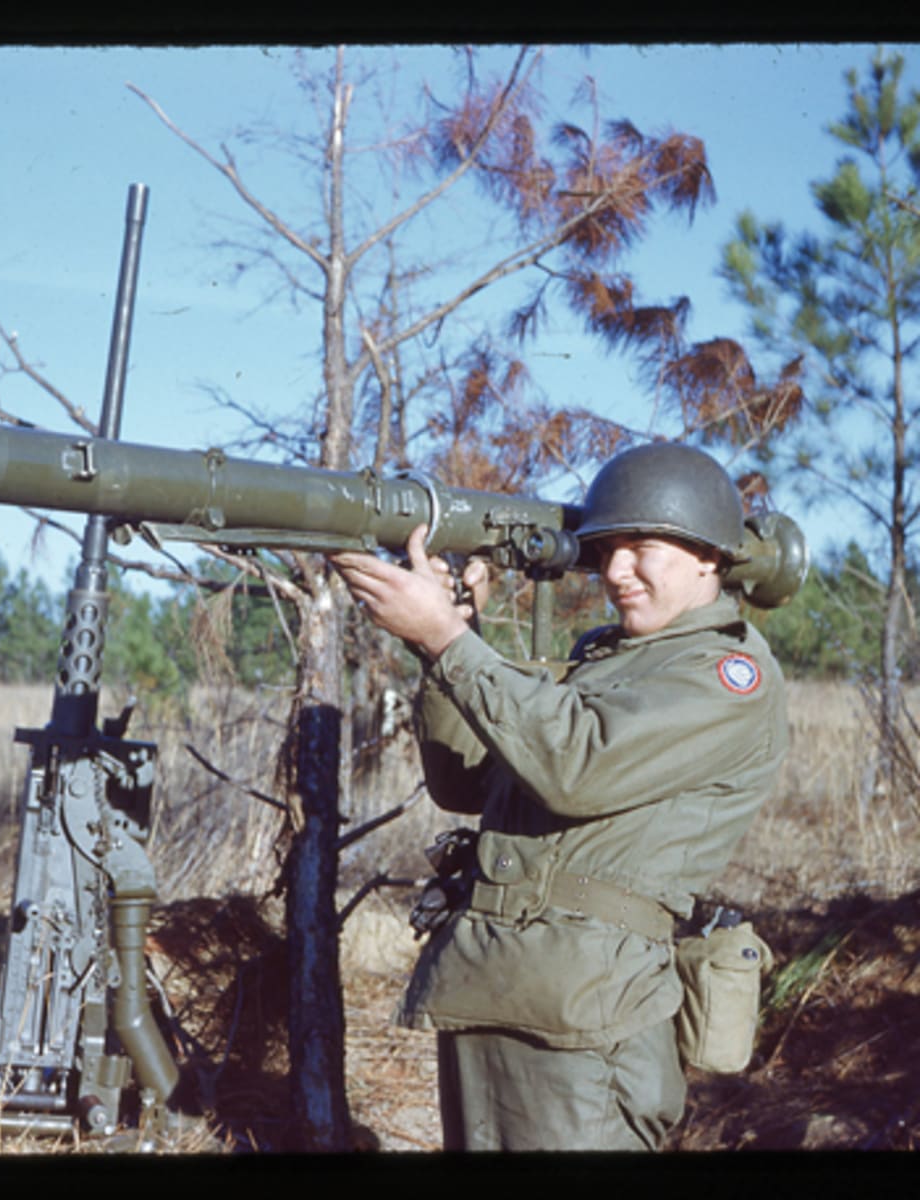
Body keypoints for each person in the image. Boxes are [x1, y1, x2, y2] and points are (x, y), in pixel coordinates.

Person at [330, 442, 789, 1151]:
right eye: (605, 550)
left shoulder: (726, 674)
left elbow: (576, 768)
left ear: (709, 556)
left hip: (587, 1017)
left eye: (641, 547)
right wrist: (449, 645)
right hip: (493, 981)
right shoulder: (611, 658)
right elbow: (467, 784)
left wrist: (450, 640)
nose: (615, 571)